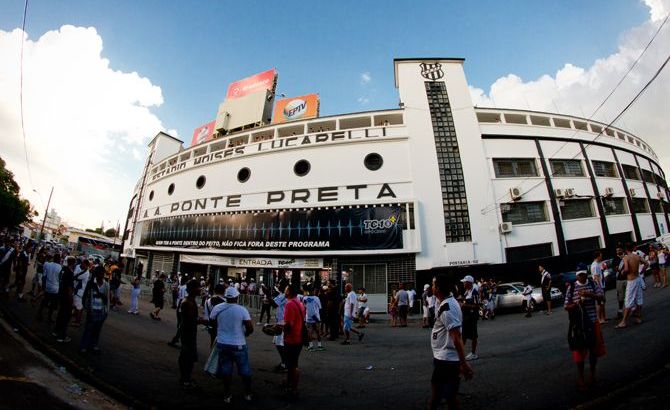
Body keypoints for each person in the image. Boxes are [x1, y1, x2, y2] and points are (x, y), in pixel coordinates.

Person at [429, 275, 473, 410]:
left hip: (446, 360)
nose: (432, 287)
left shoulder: (448, 308)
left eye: (433, 285)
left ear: (438, 288)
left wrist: (463, 364)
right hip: (443, 358)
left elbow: (456, 337)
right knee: (439, 393)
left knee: (449, 397)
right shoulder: (445, 302)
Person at [210, 285, 254, 403]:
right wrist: (245, 333)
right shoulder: (242, 310)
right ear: (236, 297)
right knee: (244, 370)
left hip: (223, 343)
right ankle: (248, 393)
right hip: (239, 343)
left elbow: (212, 320)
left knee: (226, 371)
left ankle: (227, 394)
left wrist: (220, 330)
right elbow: (250, 327)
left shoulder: (218, 308)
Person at [564, 270, 606, 391]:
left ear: (586, 274)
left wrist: (589, 295)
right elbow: (566, 305)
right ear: (576, 275)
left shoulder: (593, 284)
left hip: (592, 322)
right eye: (579, 275)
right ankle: (581, 378)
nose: (581, 277)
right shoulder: (572, 287)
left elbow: (602, 298)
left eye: (583, 274)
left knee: (593, 350)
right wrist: (577, 304)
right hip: (578, 324)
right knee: (579, 352)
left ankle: (592, 375)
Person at [178, 279, 207, 388]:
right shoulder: (188, 302)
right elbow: (190, 320)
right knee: (187, 356)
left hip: (189, 331)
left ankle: (186, 378)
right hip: (187, 332)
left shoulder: (191, 301)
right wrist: (203, 321)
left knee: (189, 355)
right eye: (198, 287)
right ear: (193, 289)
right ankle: (185, 379)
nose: (201, 289)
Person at [79, 265, 110, 353]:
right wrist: (86, 307)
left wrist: (106, 311)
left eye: (102, 274)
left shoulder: (106, 285)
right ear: (96, 274)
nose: (101, 275)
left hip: (101, 311)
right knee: (88, 329)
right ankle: (84, 346)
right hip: (92, 310)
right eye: (100, 274)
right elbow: (85, 296)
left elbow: (107, 299)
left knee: (97, 330)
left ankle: (93, 345)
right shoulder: (91, 283)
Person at [282, 284, 305, 400]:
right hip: (298, 336)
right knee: (291, 364)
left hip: (292, 338)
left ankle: (294, 389)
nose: (284, 292)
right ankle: (289, 385)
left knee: (293, 365)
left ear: (289, 292)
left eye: (285, 290)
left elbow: (289, 324)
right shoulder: (299, 303)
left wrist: (280, 329)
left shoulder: (290, 304)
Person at [617, 244, 648, 328]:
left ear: (625, 250)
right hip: (638, 278)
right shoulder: (636, 256)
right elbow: (646, 263)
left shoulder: (626, 258)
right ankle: (639, 318)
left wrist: (623, 271)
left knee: (628, 300)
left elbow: (626, 269)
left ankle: (623, 322)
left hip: (631, 280)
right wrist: (641, 271)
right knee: (639, 299)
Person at [53, 256, 76, 343]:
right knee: (66, 317)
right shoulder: (70, 273)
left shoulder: (63, 269)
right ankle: (61, 335)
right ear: (73, 263)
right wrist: (71, 300)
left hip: (61, 294)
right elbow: (69, 288)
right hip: (66, 297)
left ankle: (56, 331)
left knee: (60, 314)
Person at [460, 275, 480, 360]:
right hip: (466, 316)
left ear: (469, 283)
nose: (463, 283)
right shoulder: (467, 292)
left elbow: (476, 305)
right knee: (463, 335)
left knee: (473, 335)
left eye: (464, 282)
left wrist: (464, 305)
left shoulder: (474, 292)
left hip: (472, 316)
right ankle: (459, 353)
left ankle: (473, 353)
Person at [37, 253, 60, 322]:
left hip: (48, 286)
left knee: (44, 301)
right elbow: (60, 279)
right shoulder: (60, 267)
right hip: (55, 288)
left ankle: (40, 314)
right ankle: (49, 318)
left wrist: (44, 286)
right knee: (52, 304)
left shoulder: (48, 265)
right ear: (59, 259)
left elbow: (44, 276)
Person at [169, 275, 189, 348]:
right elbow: (184, 299)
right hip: (182, 307)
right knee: (182, 325)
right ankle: (176, 339)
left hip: (179, 306)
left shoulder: (181, 287)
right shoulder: (185, 288)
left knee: (180, 324)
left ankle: (177, 339)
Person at [303, 285, 324, 351]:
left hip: (308, 317)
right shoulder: (316, 298)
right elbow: (320, 308)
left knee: (309, 332)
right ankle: (319, 345)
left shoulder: (305, 298)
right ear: (313, 291)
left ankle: (311, 346)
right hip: (316, 317)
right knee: (318, 331)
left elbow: (304, 306)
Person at [272, 289, 289, 372]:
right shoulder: (280, 295)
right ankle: (284, 363)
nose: (277, 286)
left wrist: (268, 295)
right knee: (278, 343)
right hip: (279, 322)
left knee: (280, 344)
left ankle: (285, 364)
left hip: (282, 323)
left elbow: (274, 304)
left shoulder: (283, 296)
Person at [72, 259, 91, 326]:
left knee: (79, 307)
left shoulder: (86, 272)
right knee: (77, 306)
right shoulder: (84, 271)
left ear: (85, 265)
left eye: (82, 264)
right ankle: (76, 320)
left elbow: (76, 277)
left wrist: (75, 275)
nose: (81, 265)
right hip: (78, 290)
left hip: (80, 291)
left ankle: (77, 322)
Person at [590, 251, 607, 324]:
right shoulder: (595, 265)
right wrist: (599, 289)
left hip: (601, 285)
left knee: (602, 302)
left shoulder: (597, 264)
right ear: (597, 256)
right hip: (599, 287)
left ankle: (603, 318)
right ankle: (599, 319)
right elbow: (596, 277)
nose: (601, 257)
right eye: (600, 256)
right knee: (600, 303)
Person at [613, 247, 626, 319]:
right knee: (620, 297)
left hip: (627, 279)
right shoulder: (615, 259)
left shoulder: (626, 257)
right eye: (617, 250)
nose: (618, 251)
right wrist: (618, 269)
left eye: (619, 250)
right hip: (619, 280)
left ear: (622, 250)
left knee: (629, 295)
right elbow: (614, 268)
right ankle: (620, 310)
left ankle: (633, 309)